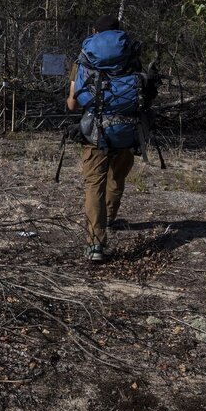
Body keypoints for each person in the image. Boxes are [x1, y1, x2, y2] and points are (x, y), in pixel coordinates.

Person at [67, 15, 137, 262]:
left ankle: (96, 244)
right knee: (117, 176)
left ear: (95, 31)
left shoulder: (84, 58)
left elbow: (73, 104)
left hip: (95, 131)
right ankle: (109, 216)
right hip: (128, 129)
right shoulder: (131, 56)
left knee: (94, 183)